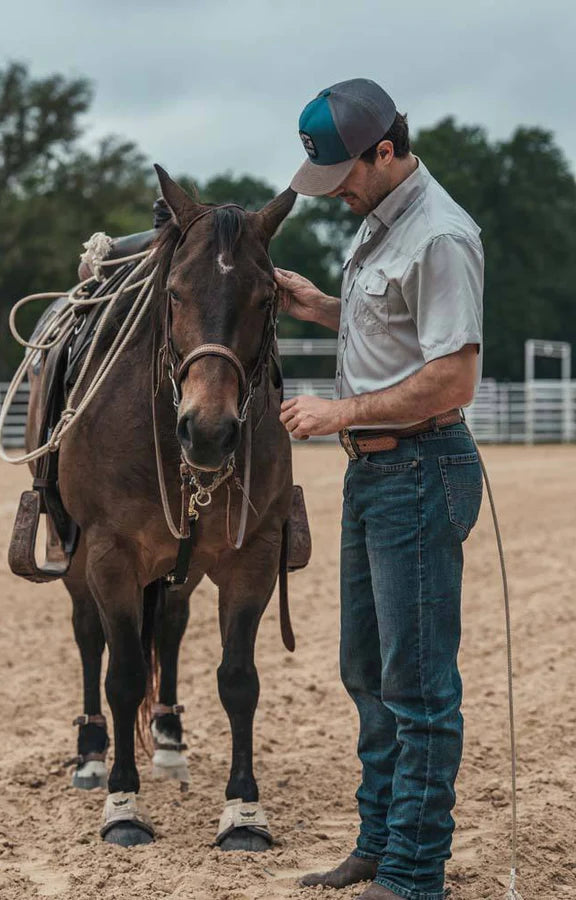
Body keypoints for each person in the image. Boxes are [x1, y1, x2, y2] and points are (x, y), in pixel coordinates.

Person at [276, 78, 484, 900]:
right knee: (366, 671)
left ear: (386, 151)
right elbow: (390, 325)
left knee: (420, 686)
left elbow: (453, 378)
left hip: (420, 468)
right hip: (377, 474)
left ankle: (411, 872)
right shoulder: (381, 225)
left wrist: (338, 413)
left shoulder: (439, 236)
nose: (339, 194)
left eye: (346, 175)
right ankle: (379, 841)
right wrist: (321, 307)